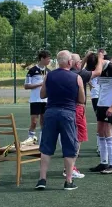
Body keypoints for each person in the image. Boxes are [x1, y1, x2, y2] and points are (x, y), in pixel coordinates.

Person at [35, 50, 87, 191]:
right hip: (68, 113)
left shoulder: (49, 76)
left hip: (50, 112)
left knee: (46, 147)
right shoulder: (76, 78)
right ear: (70, 62)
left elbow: (42, 94)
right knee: (69, 146)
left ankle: (42, 179)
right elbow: (81, 99)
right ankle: (68, 181)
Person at [62, 52, 104, 179]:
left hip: (65, 107)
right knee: (78, 138)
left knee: (69, 137)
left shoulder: (66, 73)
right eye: (79, 61)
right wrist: (100, 59)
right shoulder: (80, 74)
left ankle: (68, 167)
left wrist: (85, 57)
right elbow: (98, 72)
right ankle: (70, 168)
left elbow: (80, 67)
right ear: (76, 63)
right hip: (77, 109)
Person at [89, 54, 112, 174]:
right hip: (101, 104)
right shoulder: (98, 69)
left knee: (108, 133)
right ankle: (103, 162)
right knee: (100, 132)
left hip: (110, 106)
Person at [24, 50, 51, 144]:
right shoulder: (32, 70)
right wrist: (39, 84)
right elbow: (26, 86)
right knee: (34, 122)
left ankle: (42, 140)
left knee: (44, 122)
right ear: (42, 58)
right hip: (35, 100)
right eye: (48, 59)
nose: (49, 61)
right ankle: (31, 138)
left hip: (46, 100)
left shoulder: (48, 71)